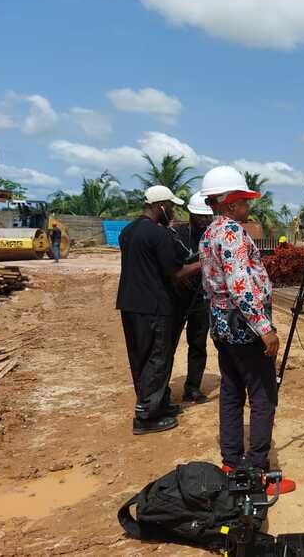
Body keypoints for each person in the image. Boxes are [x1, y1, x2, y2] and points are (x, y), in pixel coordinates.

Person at [199, 166, 281, 473]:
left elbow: (212, 284)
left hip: (221, 325)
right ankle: (257, 468)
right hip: (244, 326)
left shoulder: (209, 233)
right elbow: (240, 285)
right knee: (262, 396)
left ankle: (231, 463)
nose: (248, 208)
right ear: (231, 204)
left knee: (231, 391)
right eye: (244, 202)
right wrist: (264, 328)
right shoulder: (232, 232)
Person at [116, 185, 200, 435]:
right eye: (171, 207)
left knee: (140, 357)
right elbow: (176, 273)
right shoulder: (158, 234)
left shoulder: (128, 231)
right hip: (154, 306)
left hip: (130, 304)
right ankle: (146, 417)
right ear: (160, 206)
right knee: (156, 358)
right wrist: (203, 262)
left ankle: (157, 404)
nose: (172, 212)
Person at [170, 191, 213, 404]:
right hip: (176, 299)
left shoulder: (213, 235)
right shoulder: (175, 235)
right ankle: (161, 390)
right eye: (200, 216)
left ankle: (193, 388)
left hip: (201, 300)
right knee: (168, 344)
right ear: (190, 214)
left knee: (198, 344)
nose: (204, 221)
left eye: (208, 217)